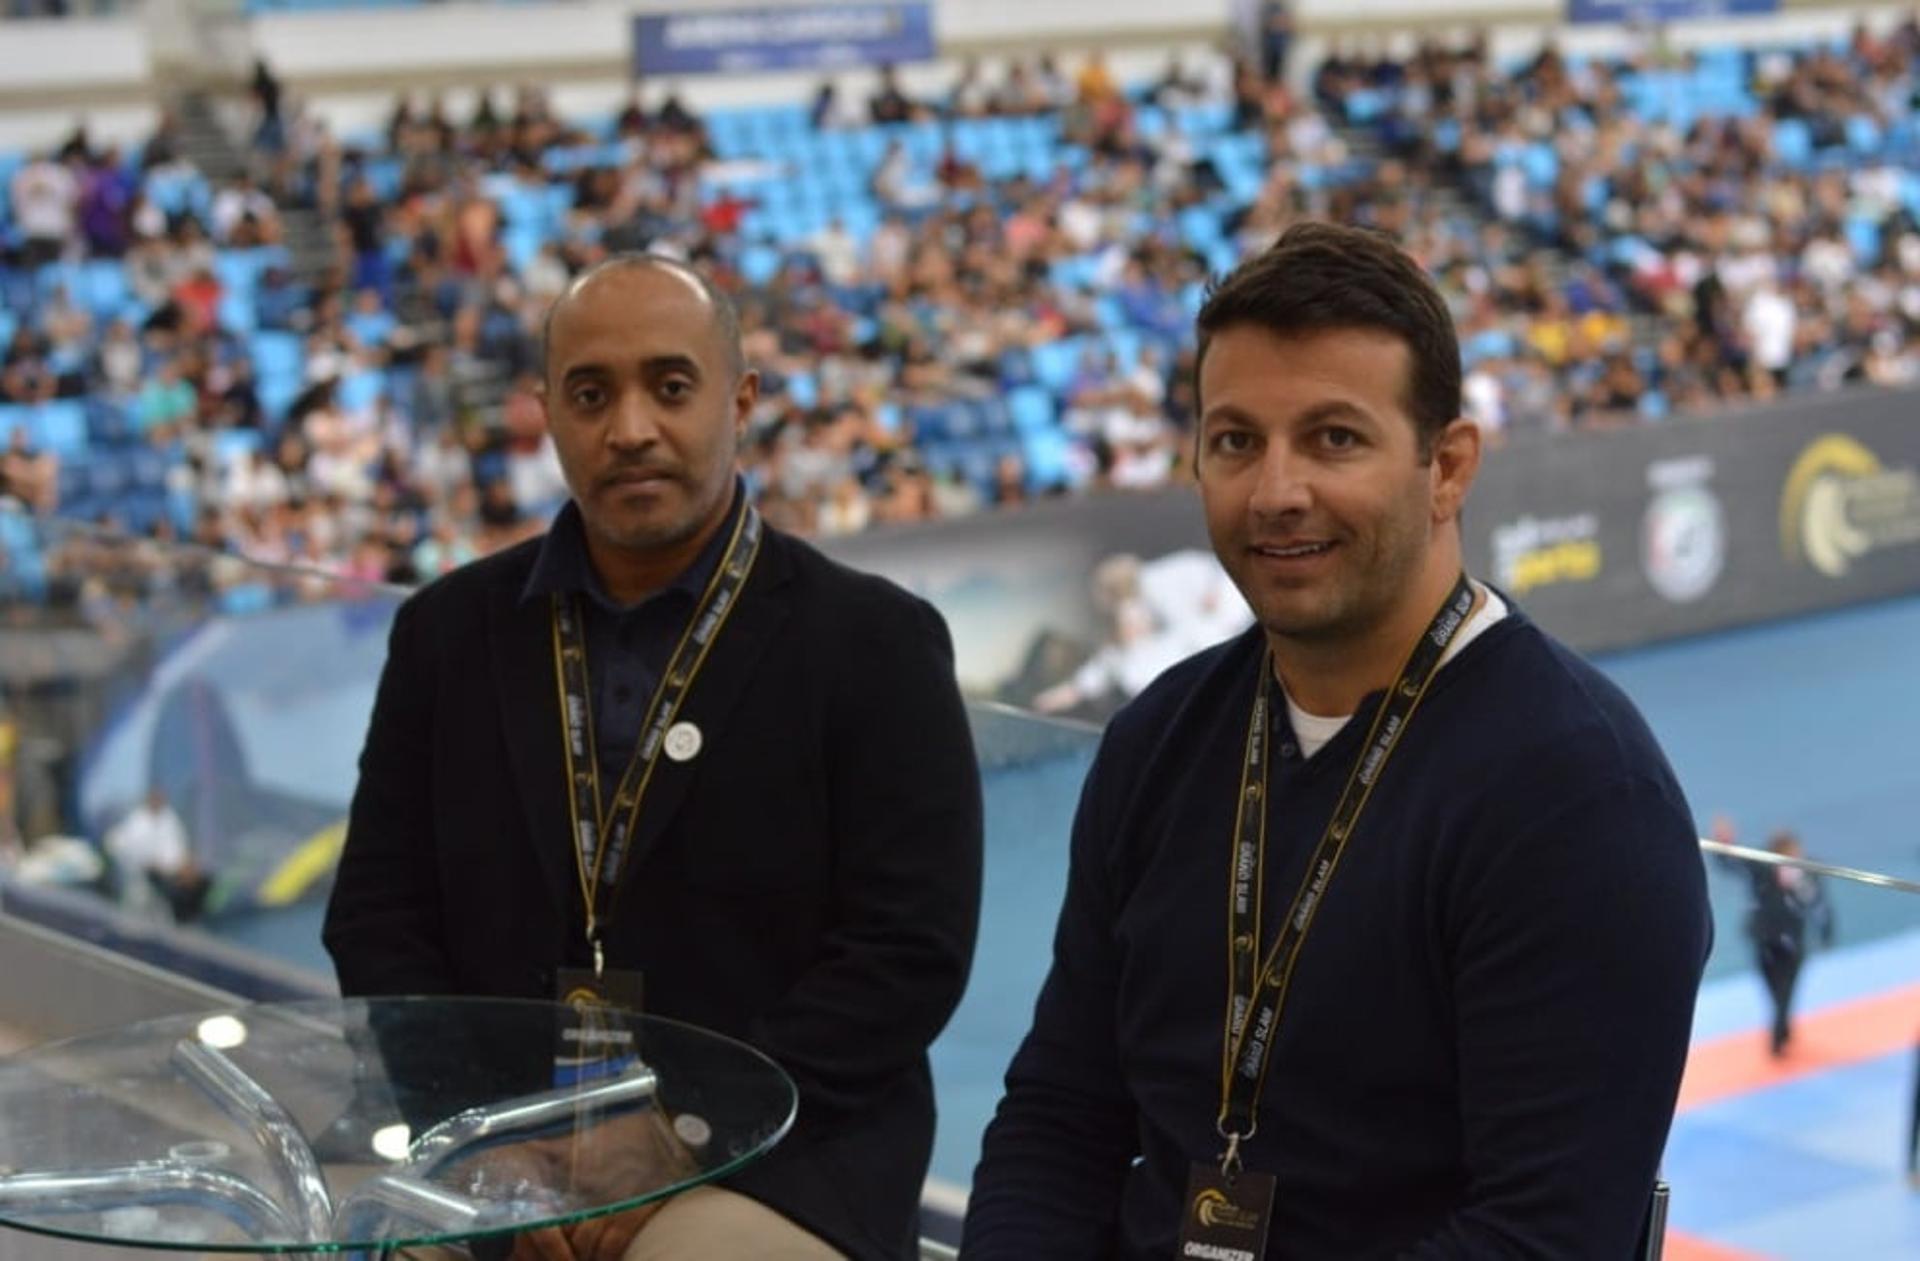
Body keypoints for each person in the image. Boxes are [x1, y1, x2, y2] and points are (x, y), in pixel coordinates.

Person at [963, 222, 1711, 1259]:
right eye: (1235, 441)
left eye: (1334, 438)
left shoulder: (1580, 798)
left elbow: (1542, 1236)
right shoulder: (1158, 740)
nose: (1276, 491)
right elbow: (1059, 1115)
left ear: (1446, 467)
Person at [324, 254, 983, 1261]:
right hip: (493, 1136)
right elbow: (377, 916)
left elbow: (907, 952)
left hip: (786, 1145)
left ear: (742, 400)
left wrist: (683, 1126)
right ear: (546, 415)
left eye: (670, 387)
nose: (629, 427)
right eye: (590, 395)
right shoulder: (445, 635)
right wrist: (491, 1144)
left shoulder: (873, 643)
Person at [1722, 822, 1833, 1058]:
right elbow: (1731, 863)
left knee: (1786, 990)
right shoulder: (1762, 866)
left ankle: (1778, 1037)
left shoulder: (1808, 872)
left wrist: (1826, 932)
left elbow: (1820, 905)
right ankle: (1782, 1026)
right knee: (1773, 989)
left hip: (1793, 940)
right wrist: (1725, 844)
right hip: (1765, 939)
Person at [104, 786, 209, 923]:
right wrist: (150, 863)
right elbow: (125, 847)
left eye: (160, 799)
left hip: (163, 881)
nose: (157, 802)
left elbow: (176, 848)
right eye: (154, 798)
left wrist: (178, 864)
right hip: (139, 881)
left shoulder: (170, 819)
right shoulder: (137, 821)